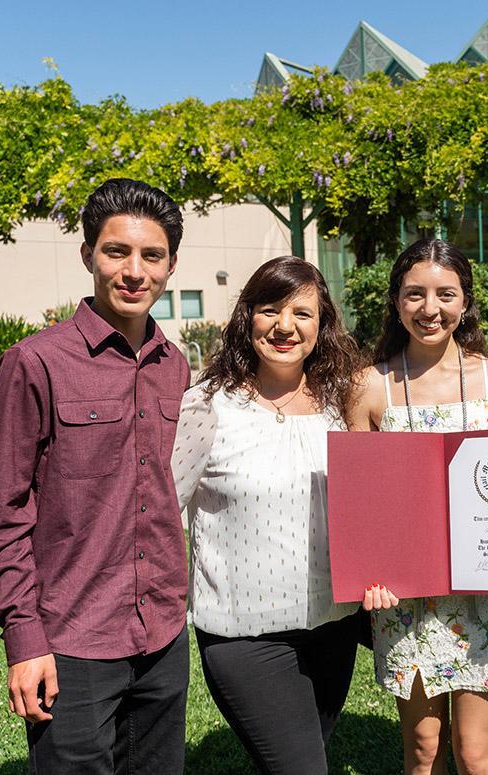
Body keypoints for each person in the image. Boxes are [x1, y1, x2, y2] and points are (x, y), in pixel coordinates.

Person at [0, 178, 190, 773]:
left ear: (171, 266)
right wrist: (24, 639)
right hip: (72, 641)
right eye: (117, 252)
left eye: (152, 256)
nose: (135, 272)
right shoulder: (35, 362)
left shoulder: (175, 367)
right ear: (88, 254)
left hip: (163, 637)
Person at [347, 238, 488, 775]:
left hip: (485, 595)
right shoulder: (370, 386)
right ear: (396, 301)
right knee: (424, 749)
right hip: (405, 600)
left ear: (465, 301)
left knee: (477, 754)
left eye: (445, 294)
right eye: (415, 294)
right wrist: (369, 572)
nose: (430, 308)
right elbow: (362, 502)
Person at [171, 256, 363, 774]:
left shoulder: (341, 405)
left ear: (322, 325)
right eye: (270, 310)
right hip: (243, 634)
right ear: (247, 317)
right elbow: (162, 512)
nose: (285, 326)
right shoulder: (207, 406)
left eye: (302, 313)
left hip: (335, 626)